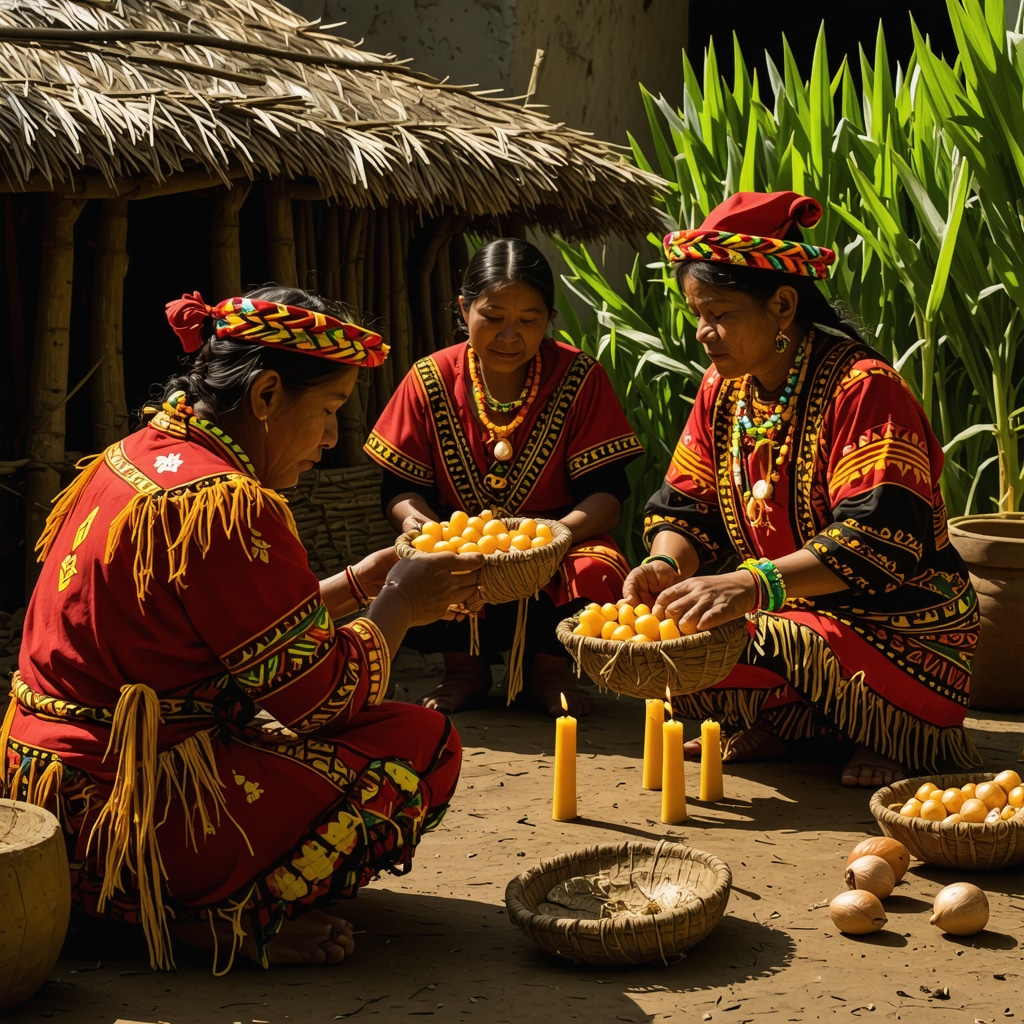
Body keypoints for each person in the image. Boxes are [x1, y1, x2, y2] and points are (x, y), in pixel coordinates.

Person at [1, 285, 483, 972]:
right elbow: (319, 701)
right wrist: (402, 603)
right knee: (421, 744)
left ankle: (133, 902)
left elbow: (231, 634)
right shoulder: (229, 505)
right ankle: (208, 915)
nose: (331, 438)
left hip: (46, 794)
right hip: (129, 813)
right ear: (266, 395)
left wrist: (360, 585)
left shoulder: (136, 455)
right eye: (329, 410)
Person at [622, 191, 981, 787]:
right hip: (784, 608)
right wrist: (665, 565)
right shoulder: (722, 387)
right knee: (680, 639)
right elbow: (686, 506)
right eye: (697, 314)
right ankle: (789, 722)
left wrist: (750, 584)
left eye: (720, 313)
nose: (704, 333)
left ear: (784, 305)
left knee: (766, 632)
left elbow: (877, 539)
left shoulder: (863, 388)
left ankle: (885, 728)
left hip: (894, 622)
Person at [364, 239, 642, 717]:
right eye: (493, 317)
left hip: (557, 543)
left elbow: (608, 493)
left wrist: (553, 538)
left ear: (549, 318)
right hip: (461, 542)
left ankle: (549, 671)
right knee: (419, 561)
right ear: (464, 308)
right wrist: (425, 529)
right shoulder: (429, 378)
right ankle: (463, 670)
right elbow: (399, 488)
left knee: (596, 566)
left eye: (528, 320)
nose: (509, 335)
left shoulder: (580, 377)